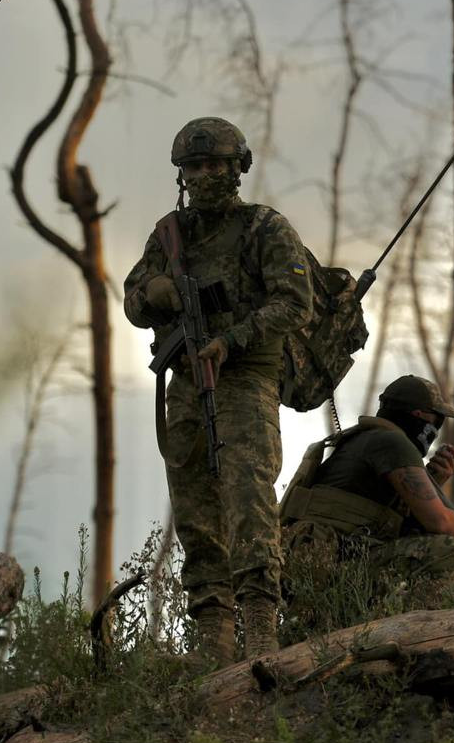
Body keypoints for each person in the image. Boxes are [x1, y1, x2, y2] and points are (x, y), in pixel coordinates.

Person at [123, 117, 313, 665]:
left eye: (215, 165)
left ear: (237, 169)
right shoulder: (169, 236)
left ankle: (259, 628)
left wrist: (232, 339)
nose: (205, 176)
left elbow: (293, 301)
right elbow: (133, 301)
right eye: (195, 167)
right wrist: (155, 294)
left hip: (246, 377)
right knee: (194, 506)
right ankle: (213, 636)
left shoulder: (264, 229)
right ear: (182, 174)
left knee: (249, 498)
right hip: (186, 380)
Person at [281, 375, 454, 591]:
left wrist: (434, 482)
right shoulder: (392, 442)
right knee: (446, 551)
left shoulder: (364, 439)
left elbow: (389, 527)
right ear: (418, 416)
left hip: (314, 566)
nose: (436, 429)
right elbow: (439, 522)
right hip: (326, 564)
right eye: (437, 420)